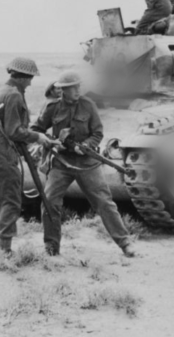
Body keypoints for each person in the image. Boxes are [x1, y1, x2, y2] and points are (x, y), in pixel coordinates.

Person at [31, 71, 136, 258]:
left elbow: (97, 133)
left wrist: (86, 145)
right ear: (63, 90)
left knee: (104, 202)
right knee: (50, 202)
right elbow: (36, 129)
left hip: (87, 162)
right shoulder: (52, 107)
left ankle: (125, 243)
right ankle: (51, 247)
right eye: (74, 87)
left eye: (79, 86)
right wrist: (50, 141)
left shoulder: (88, 105)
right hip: (61, 162)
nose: (78, 90)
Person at [0, 57, 55, 263]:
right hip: (2, 151)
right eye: (30, 78)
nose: (31, 82)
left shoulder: (4, 91)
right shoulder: (14, 95)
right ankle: (5, 251)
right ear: (23, 76)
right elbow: (14, 130)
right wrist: (38, 137)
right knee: (10, 200)